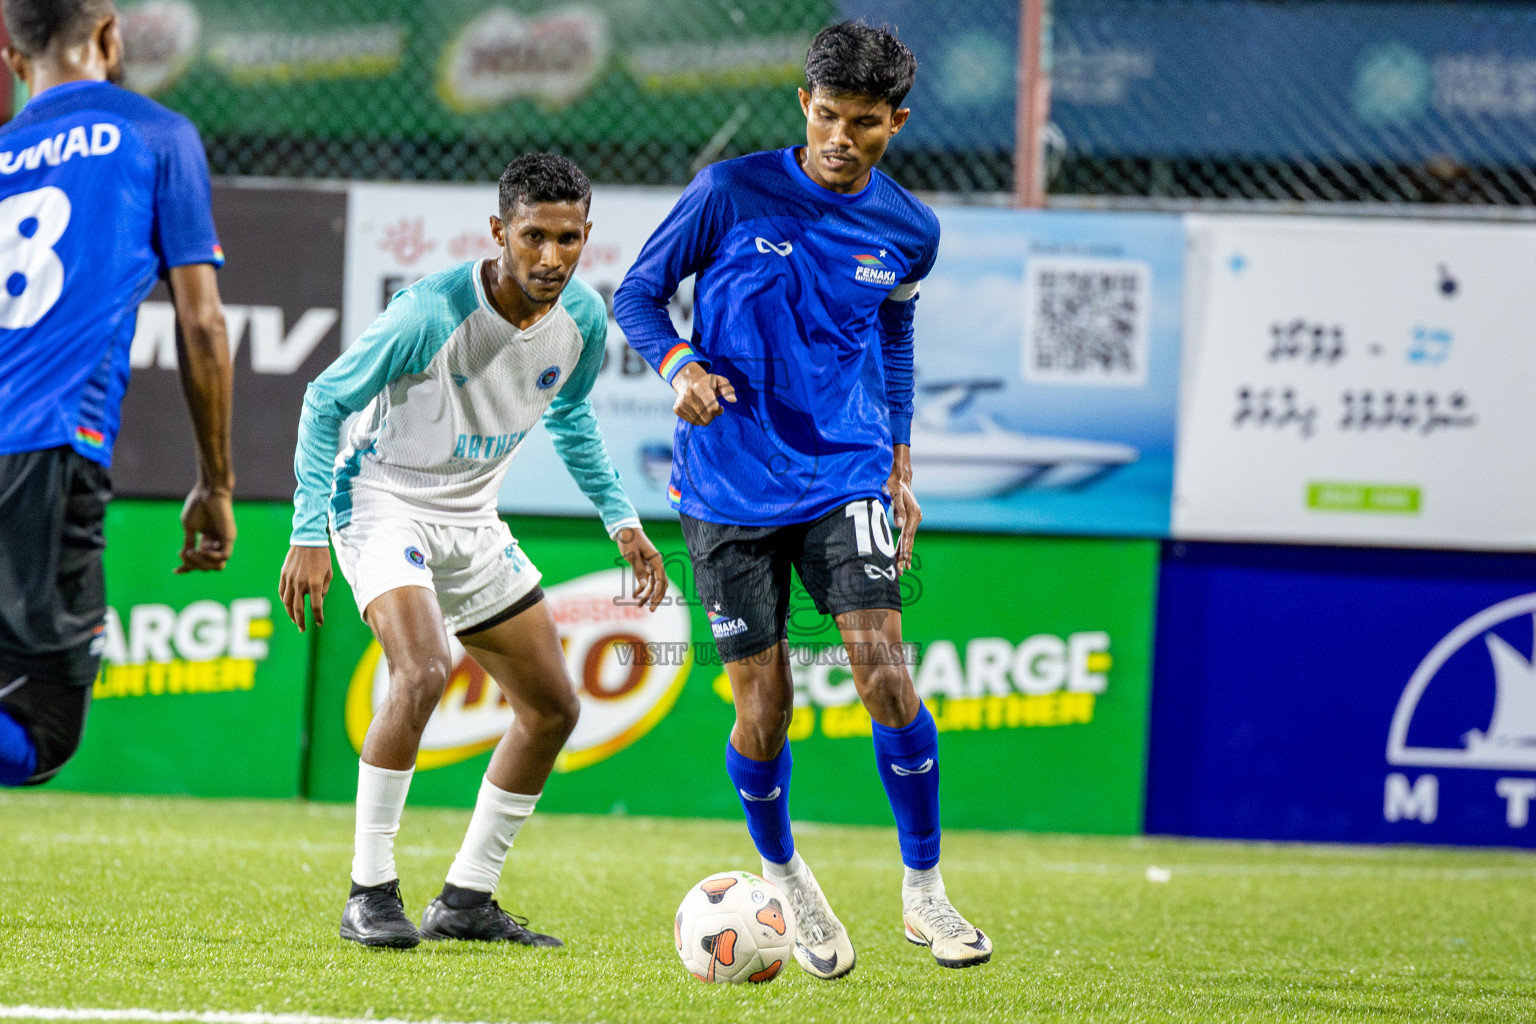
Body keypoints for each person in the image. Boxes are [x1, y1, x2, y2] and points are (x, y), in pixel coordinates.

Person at [613, 21, 990, 974]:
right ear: (803, 106)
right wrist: (679, 363)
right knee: (764, 708)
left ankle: (925, 892)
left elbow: (894, 339)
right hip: (729, 483)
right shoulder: (728, 191)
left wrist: (899, 461)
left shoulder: (911, 230)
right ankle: (784, 879)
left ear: (895, 122)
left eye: (864, 123)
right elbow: (636, 294)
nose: (840, 139)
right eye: (827, 116)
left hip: (846, 469)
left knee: (883, 672)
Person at [279, 153, 668, 950]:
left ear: (587, 236)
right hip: (382, 501)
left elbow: (570, 417)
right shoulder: (428, 313)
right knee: (421, 672)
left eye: (570, 239)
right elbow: (324, 402)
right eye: (534, 237)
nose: (552, 258)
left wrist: (621, 519)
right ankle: (369, 891)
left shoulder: (584, 320)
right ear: (499, 233)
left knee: (554, 707)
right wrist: (308, 530)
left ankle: (466, 900)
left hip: (473, 516)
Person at [0, 0, 235, 789]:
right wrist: (216, 482)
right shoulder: (155, 133)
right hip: (51, 445)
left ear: (9, 51)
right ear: (108, 35)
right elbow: (201, 325)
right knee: (44, 731)